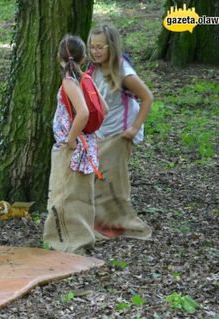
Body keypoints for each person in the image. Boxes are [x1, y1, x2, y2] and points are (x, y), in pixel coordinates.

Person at [87, 24, 153, 240]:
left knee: (113, 179)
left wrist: (134, 128)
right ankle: (101, 222)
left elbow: (147, 97)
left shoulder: (124, 72)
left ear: (111, 47)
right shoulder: (93, 68)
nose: (95, 51)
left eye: (100, 47)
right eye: (92, 47)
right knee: (98, 177)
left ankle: (120, 224)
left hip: (121, 133)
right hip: (101, 132)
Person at [43, 35, 106, 254]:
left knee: (62, 194)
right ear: (84, 57)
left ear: (59, 57)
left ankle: (63, 242)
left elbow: (84, 113)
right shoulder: (86, 79)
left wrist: (70, 139)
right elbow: (103, 108)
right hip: (87, 146)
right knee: (80, 195)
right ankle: (82, 239)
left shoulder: (69, 82)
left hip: (72, 148)